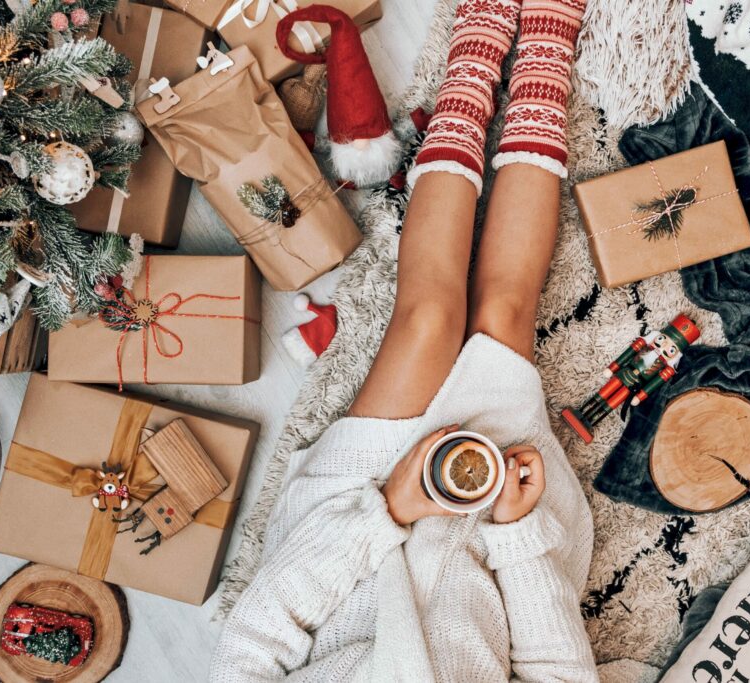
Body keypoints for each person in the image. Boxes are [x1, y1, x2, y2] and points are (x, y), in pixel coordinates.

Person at [211, 0, 595, 680]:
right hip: (490, 557)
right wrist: (516, 535)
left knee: (426, 323)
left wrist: (390, 507)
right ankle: (546, 52)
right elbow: (559, 670)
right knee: (505, 316)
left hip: (348, 539)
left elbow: (253, 636)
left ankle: (474, 57)